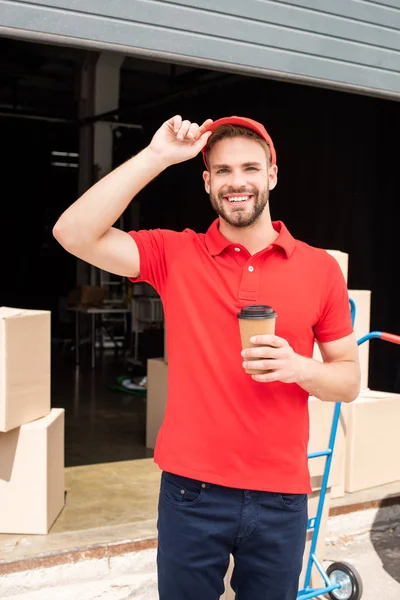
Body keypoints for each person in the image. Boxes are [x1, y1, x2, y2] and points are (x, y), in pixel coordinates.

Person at [53, 115, 361, 600]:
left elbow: (348, 382)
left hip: (281, 494)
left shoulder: (320, 268)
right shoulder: (176, 254)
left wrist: (299, 368)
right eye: (222, 171)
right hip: (191, 493)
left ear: (271, 176)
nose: (237, 182)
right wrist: (157, 156)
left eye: (250, 168)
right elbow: (72, 232)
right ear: (207, 182)